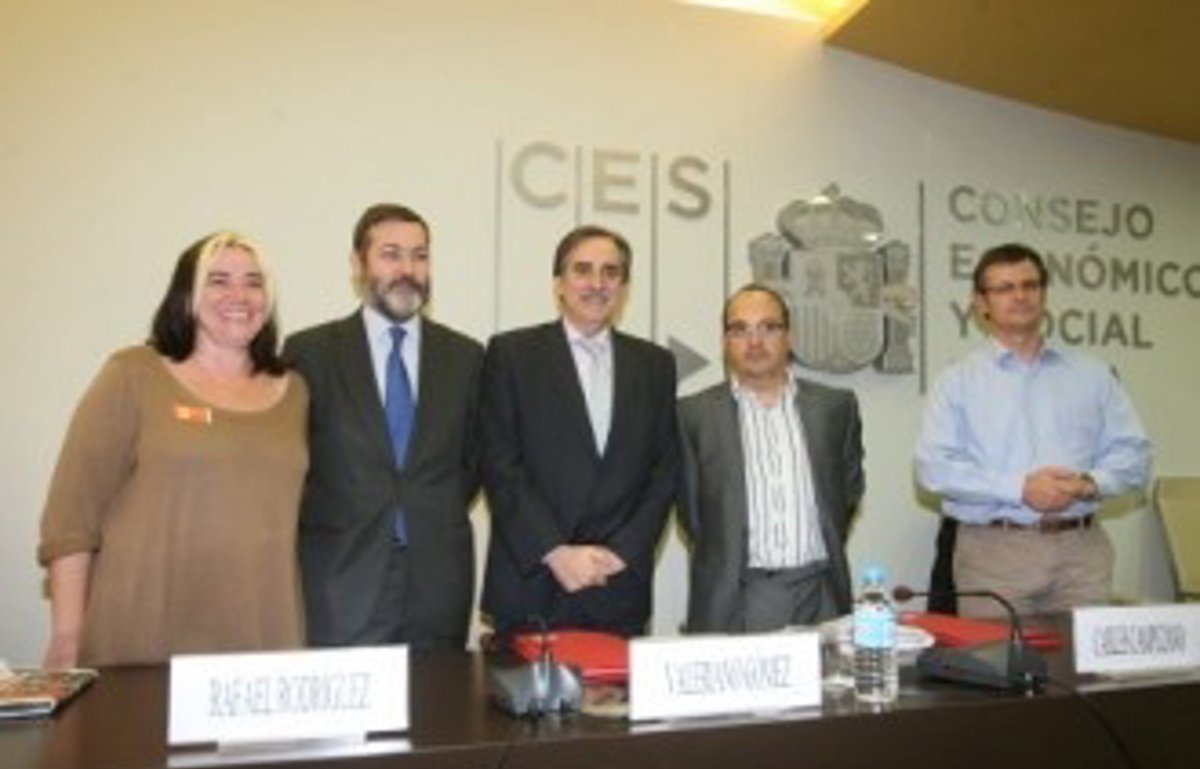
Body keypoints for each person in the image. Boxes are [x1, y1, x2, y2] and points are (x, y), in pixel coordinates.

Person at [38, 232, 308, 667]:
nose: (239, 295)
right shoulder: (132, 374)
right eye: (218, 280)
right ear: (186, 294)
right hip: (141, 635)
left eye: (253, 282)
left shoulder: (296, 391)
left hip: (262, 637)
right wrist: (67, 634)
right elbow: (72, 516)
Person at [915, 243, 1151, 617]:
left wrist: (1088, 483)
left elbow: (1134, 457)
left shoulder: (1092, 374)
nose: (1020, 296)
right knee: (996, 654)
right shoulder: (957, 381)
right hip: (994, 554)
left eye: (1030, 285)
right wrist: (1021, 488)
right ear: (981, 303)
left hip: (1081, 554)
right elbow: (934, 469)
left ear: (1044, 295)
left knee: (1083, 656)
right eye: (1005, 288)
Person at [284, 204, 483, 650]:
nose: (408, 270)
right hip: (341, 583)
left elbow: (470, 466)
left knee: (437, 697)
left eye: (420, 255)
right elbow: (296, 463)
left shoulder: (465, 358)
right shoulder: (310, 353)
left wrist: (421, 506)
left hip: (437, 586)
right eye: (391, 254)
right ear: (358, 264)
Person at [479, 225, 678, 639]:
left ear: (624, 287)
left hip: (616, 586)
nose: (597, 283)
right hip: (533, 584)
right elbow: (499, 464)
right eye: (582, 270)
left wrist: (622, 552)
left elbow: (664, 471)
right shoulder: (512, 355)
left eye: (611, 272)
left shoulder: (655, 365)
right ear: (559, 284)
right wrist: (555, 551)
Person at [677, 284, 865, 633]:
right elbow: (695, 518)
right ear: (725, 342)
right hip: (738, 599)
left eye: (768, 327)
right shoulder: (693, 415)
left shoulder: (835, 407)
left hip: (821, 592)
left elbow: (847, 494)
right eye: (739, 330)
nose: (754, 341)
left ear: (788, 336)